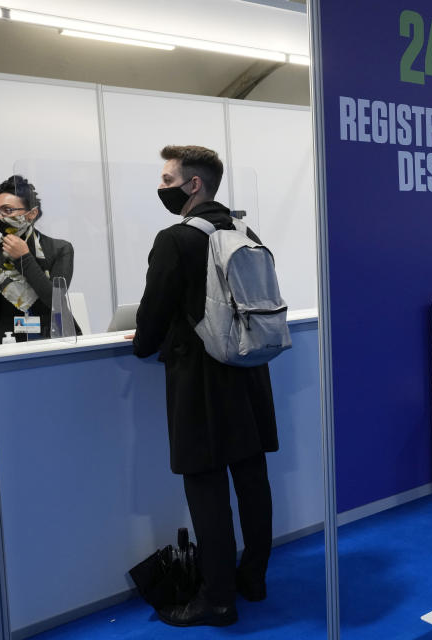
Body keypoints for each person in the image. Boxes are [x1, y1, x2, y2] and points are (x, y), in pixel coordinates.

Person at [131, 145, 278, 626]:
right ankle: (251, 579)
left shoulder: (176, 239)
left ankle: (216, 601)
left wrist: (142, 344)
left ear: (194, 184)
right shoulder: (244, 230)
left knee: (206, 487)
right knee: (252, 480)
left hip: (200, 380)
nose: (162, 188)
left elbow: (153, 313)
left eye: (169, 180)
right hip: (250, 371)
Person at [0, 175, 76, 344]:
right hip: (6, 342)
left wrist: (24, 258)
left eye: (7, 210)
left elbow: (55, 300)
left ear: (32, 213)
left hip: (53, 338)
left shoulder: (60, 249)